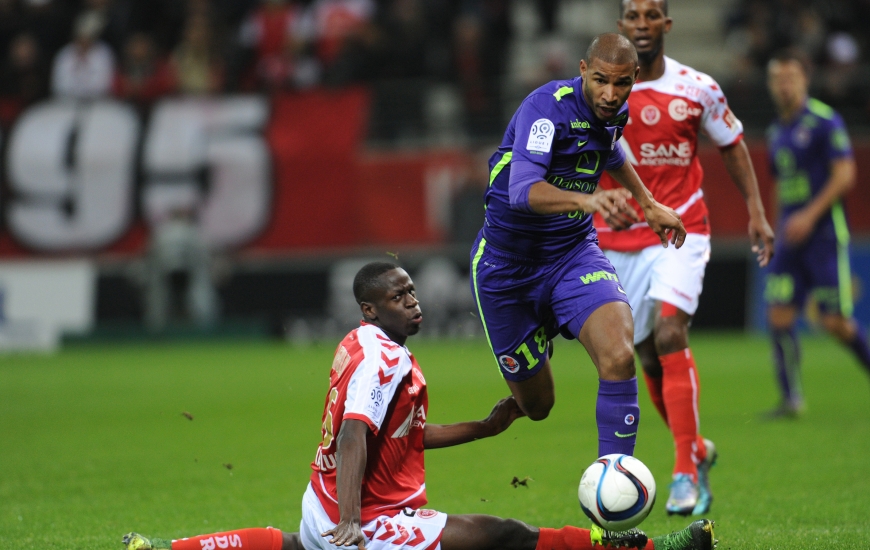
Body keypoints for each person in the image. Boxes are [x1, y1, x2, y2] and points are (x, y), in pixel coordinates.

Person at [122, 261, 717, 550]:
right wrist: (353, 522)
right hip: (363, 518)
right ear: (371, 310)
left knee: (296, 546)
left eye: (411, 290)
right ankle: (628, 546)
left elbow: (399, 435)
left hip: (324, 500)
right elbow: (355, 435)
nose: (413, 301)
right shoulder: (384, 359)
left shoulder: (360, 345)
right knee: (500, 535)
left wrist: (486, 428)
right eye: (398, 296)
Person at [592, 0, 776, 517]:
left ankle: (683, 471)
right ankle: (696, 448)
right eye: (634, 16)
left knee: (672, 334)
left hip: (682, 229)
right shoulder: (602, 93)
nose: (643, 25)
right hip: (616, 240)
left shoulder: (697, 87)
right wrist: (599, 203)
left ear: (666, 25)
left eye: (653, 15)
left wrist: (757, 213)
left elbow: (733, 145)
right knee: (645, 357)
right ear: (621, 25)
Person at [470, 32, 686, 464]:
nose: (611, 94)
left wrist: (647, 203)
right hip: (505, 267)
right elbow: (523, 191)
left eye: (622, 83)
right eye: (602, 80)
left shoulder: (614, 110)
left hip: (572, 252)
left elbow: (609, 149)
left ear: (634, 78)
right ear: (583, 70)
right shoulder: (545, 110)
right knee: (539, 407)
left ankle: (616, 485)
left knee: (620, 356)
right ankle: (540, 331)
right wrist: (590, 200)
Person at [763, 48, 870, 417]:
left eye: (790, 78)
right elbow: (780, 186)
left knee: (835, 322)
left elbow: (845, 175)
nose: (784, 85)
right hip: (789, 240)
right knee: (778, 315)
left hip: (823, 237)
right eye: (777, 79)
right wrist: (775, 230)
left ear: (804, 80)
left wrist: (808, 216)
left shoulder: (825, 121)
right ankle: (791, 399)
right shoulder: (777, 131)